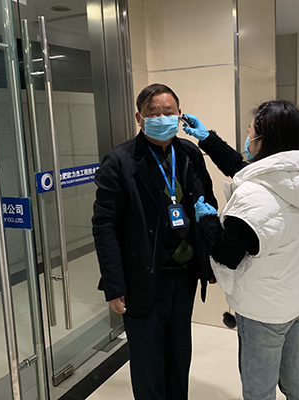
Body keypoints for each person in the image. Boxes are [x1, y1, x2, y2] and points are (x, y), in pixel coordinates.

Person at [183, 100, 299, 400]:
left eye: (249, 133)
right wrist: (207, 139)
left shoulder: (252, 196)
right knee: (295, 377)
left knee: (259, 390)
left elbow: (227, 255)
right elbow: (247, 170)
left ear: (264, 141)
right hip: (295, 299)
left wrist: (207, 219)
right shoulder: (296, 178)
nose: (246, 139)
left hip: (262, 311)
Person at [92, 83, 218, 400]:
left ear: (179, 114)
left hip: (185, 275)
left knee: (179, 354)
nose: (162, 118)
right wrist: (114, 285)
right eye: (153, 113)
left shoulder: (189, 154)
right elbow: (104, 225)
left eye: (168, 112)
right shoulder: (119, 161)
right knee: (148, 360)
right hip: (143, 277)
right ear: (139, 118)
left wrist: (210, 259)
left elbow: (207, 204)